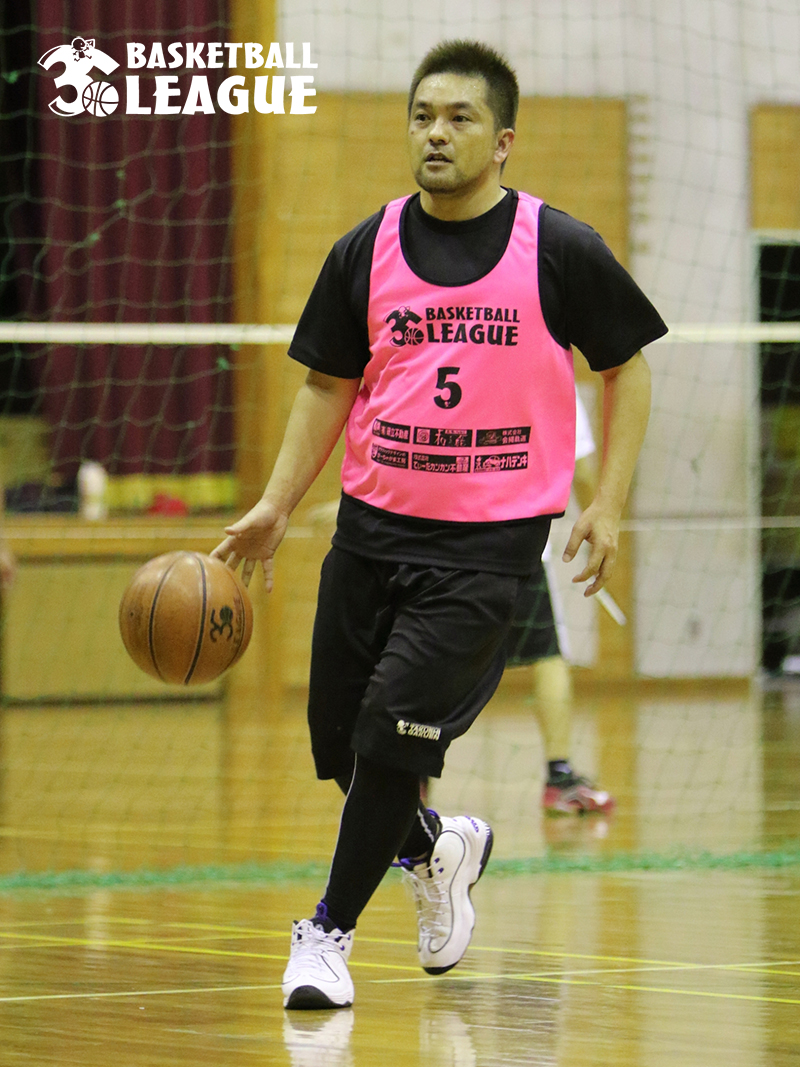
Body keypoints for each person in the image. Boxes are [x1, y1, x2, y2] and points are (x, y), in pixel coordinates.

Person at [212, 39, 666, 1010]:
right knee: (339, 743)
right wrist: (275, 505)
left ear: (502, 141)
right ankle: (438, 848)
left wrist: (609, 502)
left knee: (391, 738)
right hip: (369, 532)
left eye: (459, 118)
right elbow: (326, 386)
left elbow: (627, 368)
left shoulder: (558, 247)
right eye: (422, 115)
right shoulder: (365, 248)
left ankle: (326, 934)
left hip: (484, 550)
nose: (435, 133)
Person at [505, 387, 616, 815]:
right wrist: (597, 525)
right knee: (548, 657)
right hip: (518, 543)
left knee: (431, 656)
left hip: (446, 541)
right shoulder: (554, 377)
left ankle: (411, 781)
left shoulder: (452, 361)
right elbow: (583, 471)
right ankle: (559, 777)